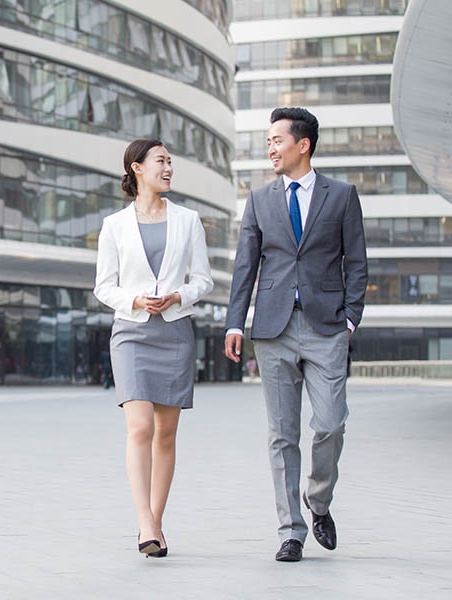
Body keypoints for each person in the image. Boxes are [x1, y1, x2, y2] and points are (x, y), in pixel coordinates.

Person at [223, 107, 368, 562]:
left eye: (276, 140)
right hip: (273, 328)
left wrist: (349, 320)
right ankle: (291, 530)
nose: (270, 148)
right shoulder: (260, 199)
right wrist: (234, 321)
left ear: (302, 144)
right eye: (267, 142)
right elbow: (246, 265)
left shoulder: (342, 196)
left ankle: (318, 500)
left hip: (327, 327)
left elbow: (357, 263)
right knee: (282, 434)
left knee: (330, 424)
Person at [94, 138, 213, 558]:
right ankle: (144, 521)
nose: (169, 168)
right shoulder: (114, 225)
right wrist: (137, 300)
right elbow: (104, 286)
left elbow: (203, 280)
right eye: (161, 161)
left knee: (166, 434)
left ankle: (156, 524)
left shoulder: (188, 220)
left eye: (170, 162)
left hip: (174, 333)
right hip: (131, 332)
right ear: (137, 168)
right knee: (139, 427)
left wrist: (180, 296)